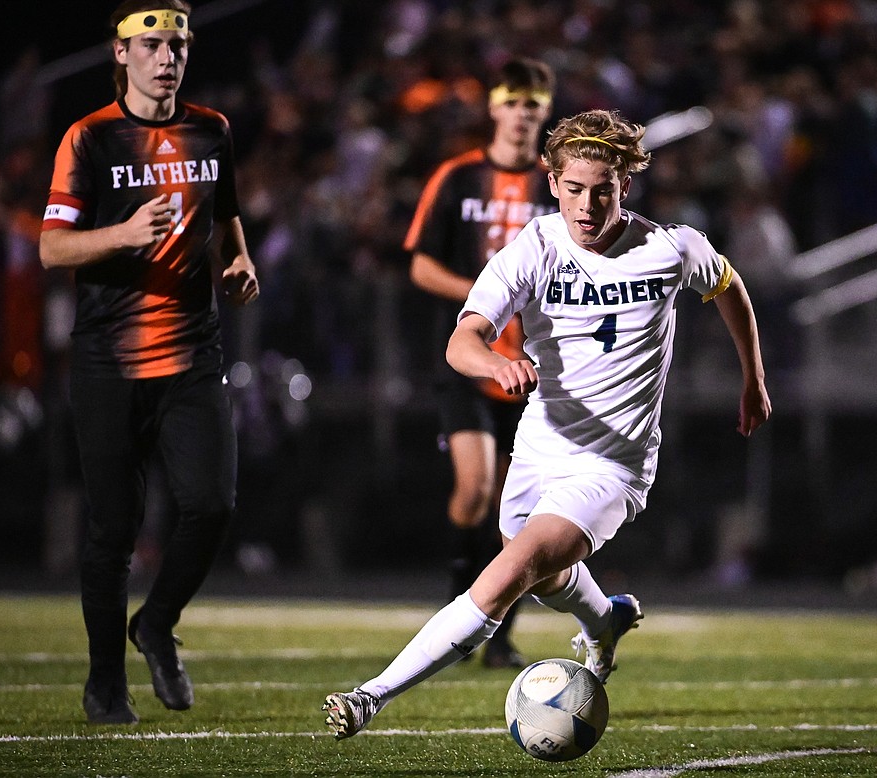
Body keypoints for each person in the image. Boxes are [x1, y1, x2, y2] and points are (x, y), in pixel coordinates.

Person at [322, 108, 772, 739]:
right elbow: (463, 339)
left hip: (614, 466)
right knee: (543, 573)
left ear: (625, 186)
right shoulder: (532, 247)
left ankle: (370, 696)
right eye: (576, 189)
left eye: (604, 191)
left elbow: (730, 288)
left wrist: (752, 378)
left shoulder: (672, 247)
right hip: (539, 449)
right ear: (553, 182)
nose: (588, 205)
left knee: (509, 573)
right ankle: (604, 624)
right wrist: (493, 364)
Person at [39, 0, 259, 725]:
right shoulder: (90, 138)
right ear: (122, 54)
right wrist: (124, 233)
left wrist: (240, 261)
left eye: (178, 45)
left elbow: (224, 212)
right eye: (154, 45)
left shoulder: (212, 129)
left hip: (194, 352)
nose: (168, 57)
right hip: (108, 360)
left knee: (213, 504)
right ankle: (106, 681)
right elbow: (52, 248)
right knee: (113, 529)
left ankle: (156, 623)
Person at [405, 57, 557, 669]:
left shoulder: (558, 184)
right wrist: (487, 292)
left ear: (545, 112)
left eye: (533, 103)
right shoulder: (459, 177)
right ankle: (457, 616)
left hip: (539, 365)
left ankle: (497, 634)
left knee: (517, 507)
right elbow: (419, 264)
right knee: (475, 491)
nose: (522, 113)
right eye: (513, 101)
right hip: (472, 360)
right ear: (493, 107)